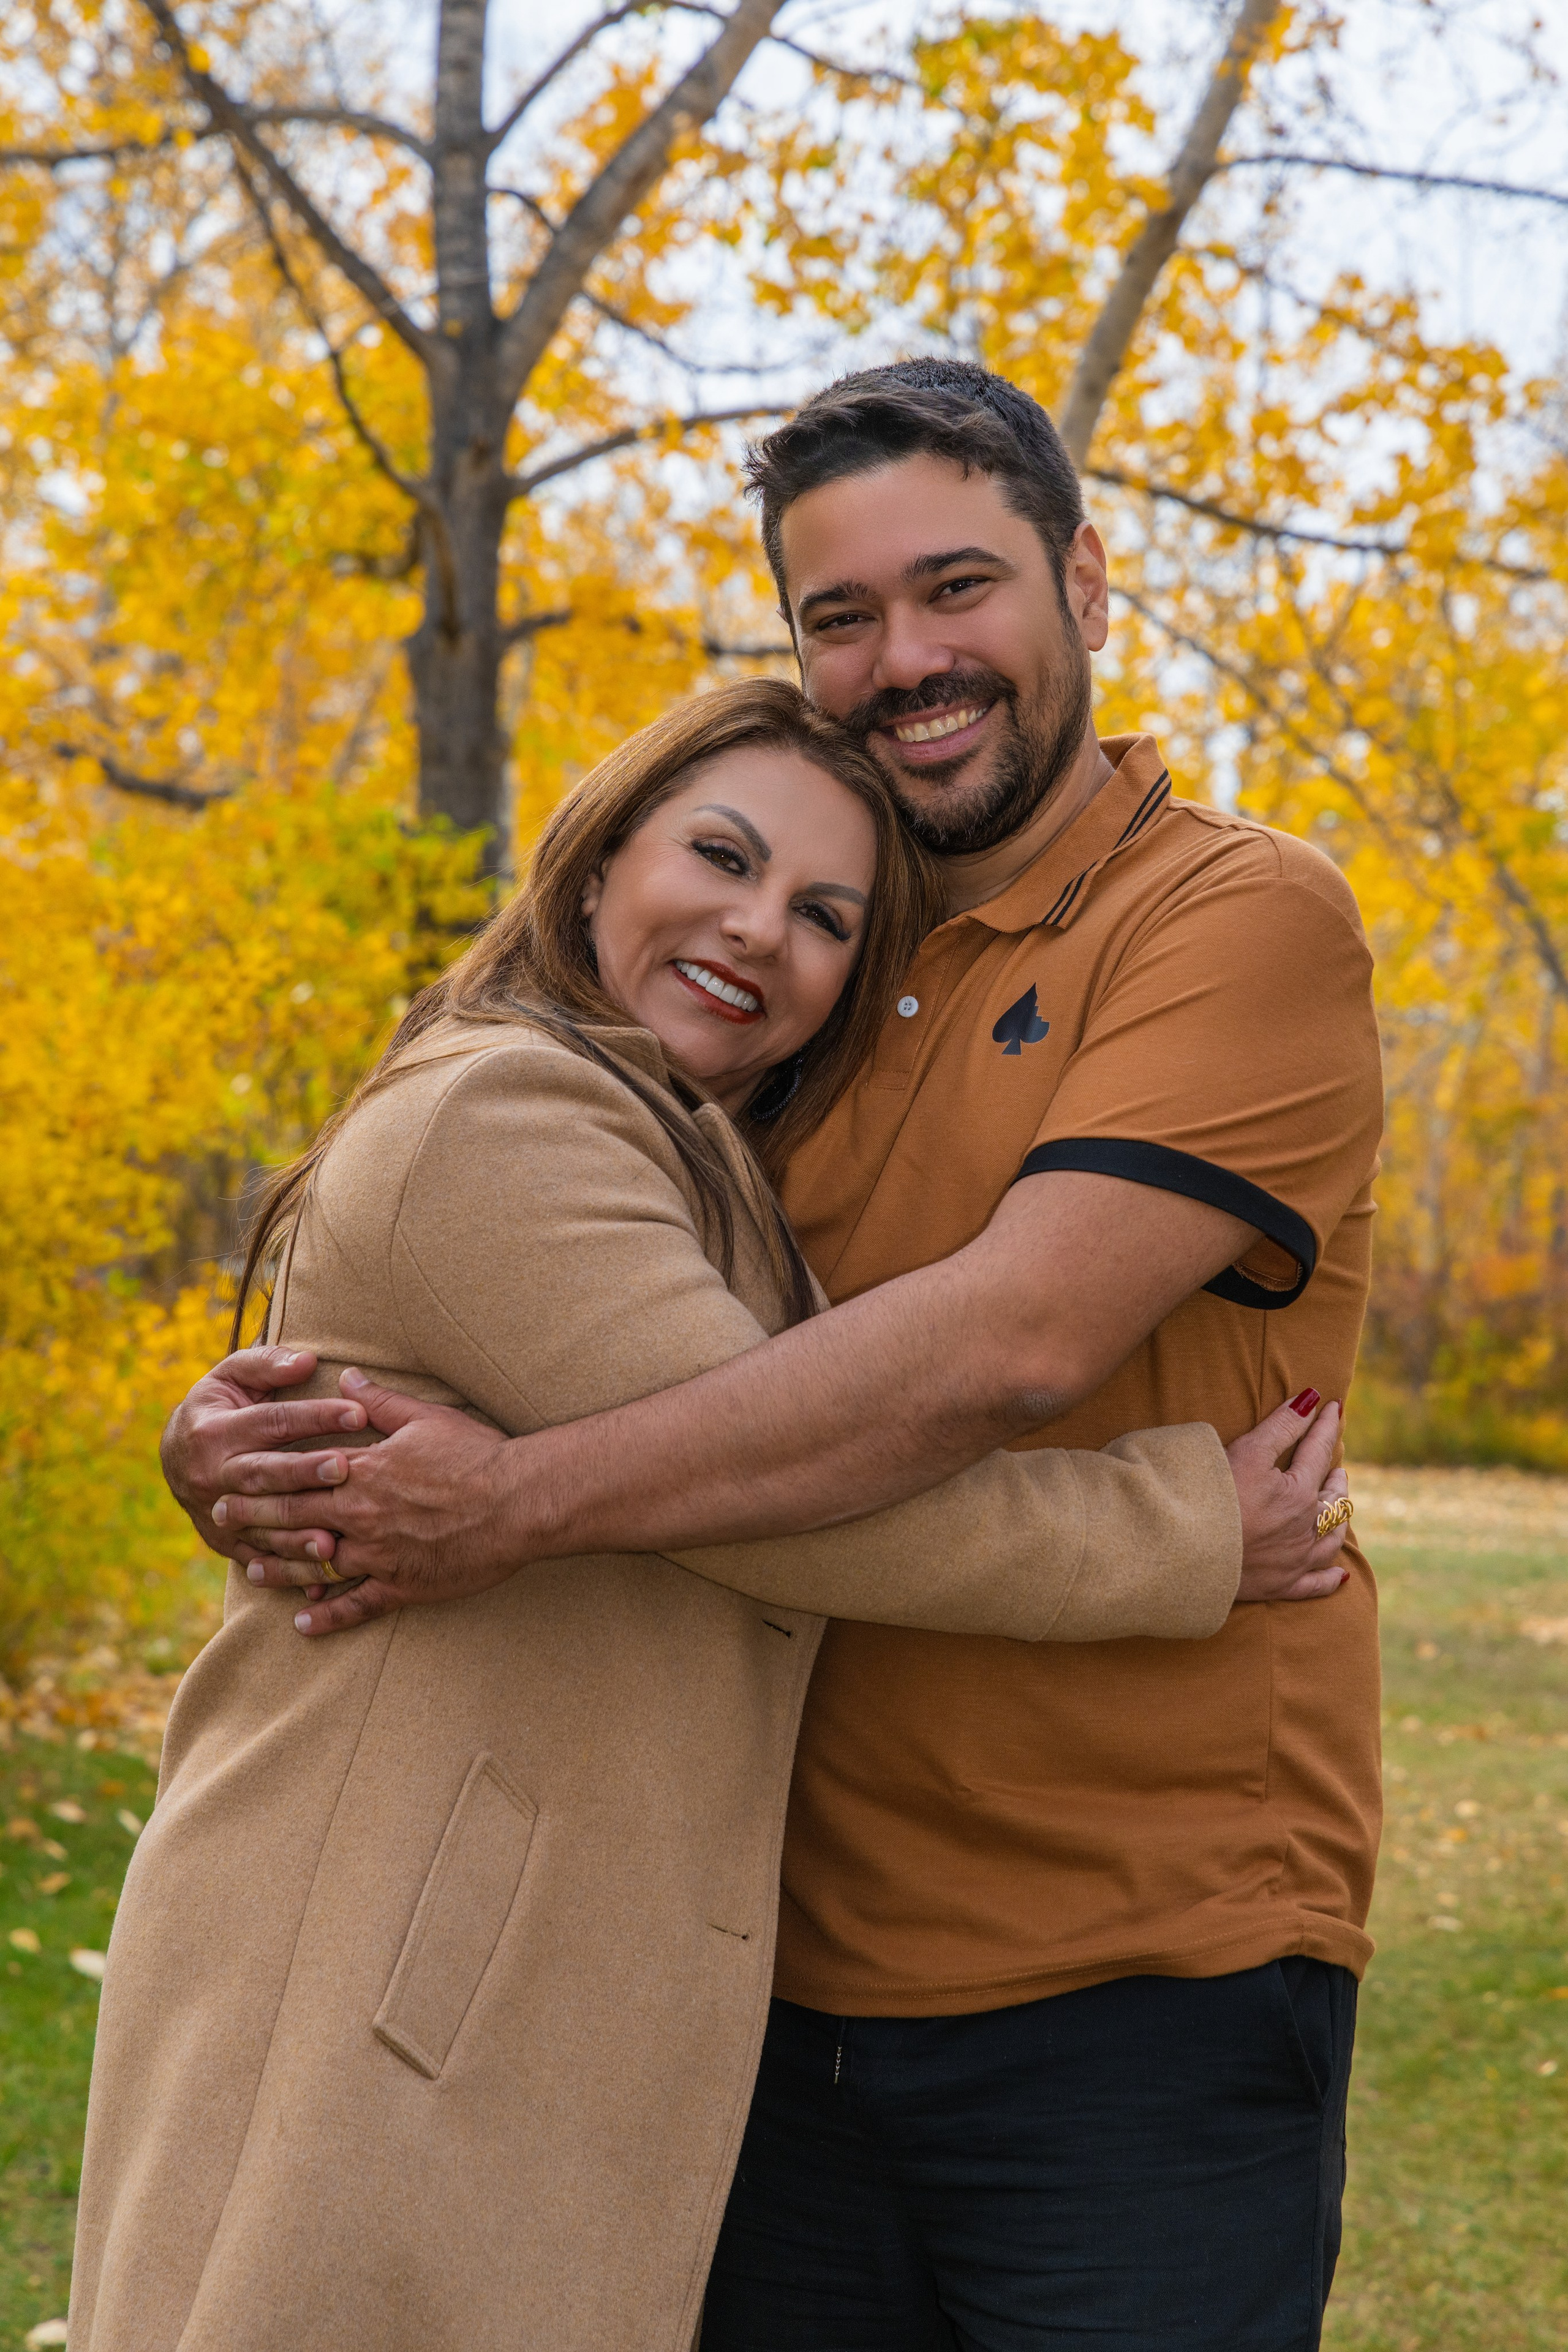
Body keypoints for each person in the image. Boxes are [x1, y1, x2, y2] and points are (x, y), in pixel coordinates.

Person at [166, 363, 1384, 2351]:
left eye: (958, 587)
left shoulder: (1232, 919)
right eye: (841, 615)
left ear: (1085, 580)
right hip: (757, 1983)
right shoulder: (790, 1008)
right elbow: (562, 1306)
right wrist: (260, 1420)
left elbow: (1006, 1344)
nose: (906, 659)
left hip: (1133, 1970)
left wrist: (509, 1499)